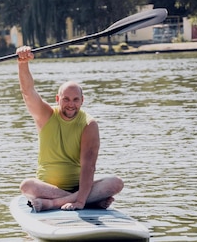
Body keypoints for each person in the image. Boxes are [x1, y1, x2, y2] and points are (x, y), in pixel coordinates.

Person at [16, 45, 123, 211]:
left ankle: (53, 203)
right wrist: (23, 63)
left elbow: (89, 166)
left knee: (116, 183)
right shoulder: (46, 115)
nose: (71, 105)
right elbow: (28, 92)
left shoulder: (89, 124)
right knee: (27, 186)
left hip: (78, 189)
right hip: (45, 189)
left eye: (75, 100)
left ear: (82, 100)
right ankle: (90, 200)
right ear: (57, 99)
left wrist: (79, 201)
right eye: (66, 99)